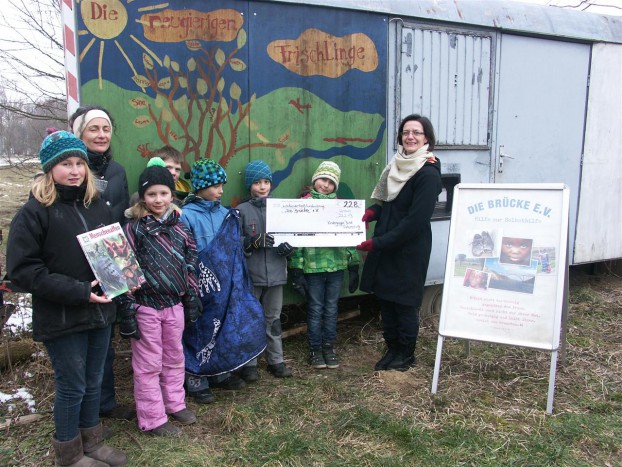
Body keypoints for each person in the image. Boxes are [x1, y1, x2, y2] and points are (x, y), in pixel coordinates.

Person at [6, 131, 127, 466]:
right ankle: (69, 454)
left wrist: (124, 276)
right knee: (72, 385)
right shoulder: (34, 214)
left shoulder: (97, 207)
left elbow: (113, 252)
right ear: (49, 169)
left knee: (93, 380)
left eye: (79, 163)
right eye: (65, 164)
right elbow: (23, 271)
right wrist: (78, 292)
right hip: (62, 316)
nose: (74, 170)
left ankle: (93, 443)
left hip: (101, 312)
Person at [117, 157, 200, 437]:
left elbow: (191, 258)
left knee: (175, 357)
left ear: (172, 194)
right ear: (143, 196)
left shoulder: (180, 225)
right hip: (146, 307)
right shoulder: (135, 227)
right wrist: (127, 308)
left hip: (174, 305)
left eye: (163, 193)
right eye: (151, 194)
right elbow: (124, 267)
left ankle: (175, 402)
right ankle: (152, 418)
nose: (158, 199)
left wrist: (192, 294)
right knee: (148, 364)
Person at [357, 114, 442, 372]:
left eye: (417, 132)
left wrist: (378, 243)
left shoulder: (427, 173)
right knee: (387, 299)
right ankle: (392, 348)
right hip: (388, 245)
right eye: (406, 132)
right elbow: (391, 206)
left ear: (427, 138)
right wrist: (374, 212)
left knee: (404, 303)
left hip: (408, 250)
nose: (410, 137)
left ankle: (405, 355)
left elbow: (415, 221)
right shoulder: (396, 166)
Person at [69, 105, 134, 422]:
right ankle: (84, 412)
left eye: (105, 129)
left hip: (111, 261)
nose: (101, 135)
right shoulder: (72, 170)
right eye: (93, 129)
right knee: (81, 343)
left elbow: (122, 217)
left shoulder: (119, 170)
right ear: (80, 133)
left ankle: (105, 404)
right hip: (79, 266)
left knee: (105, 338)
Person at [180, 158, 246, 403]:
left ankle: (218, 370)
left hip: (224, 279)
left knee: (221, 324)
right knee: (198, 326)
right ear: (200, 186)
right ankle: (196, 376)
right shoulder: (186, 215)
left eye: (222, 185)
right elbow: (185, 250)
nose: (221, 190)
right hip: (200, 281)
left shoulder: (225, 213)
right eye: (215, 185)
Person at [289, 161, 360, 370]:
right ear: (314, 180)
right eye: (323, 180)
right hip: (313, 268)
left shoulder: (341, 206)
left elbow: (350, 237)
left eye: (331, 182)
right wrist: (296, 269)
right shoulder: (305, 204)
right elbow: (297, 240)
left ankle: (329, 347)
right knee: (315, 309)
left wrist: (353, 265)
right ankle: (315, 349)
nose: (326, 185)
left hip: (336, 267)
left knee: (331, 309)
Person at [237, 160, 294, 379]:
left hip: (277, 274)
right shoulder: (241, 210)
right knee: (251, 319)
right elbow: (235, 242)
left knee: (274, 319)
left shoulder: (281, 208)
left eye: (266, 181)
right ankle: (250, 363)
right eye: (257, 182)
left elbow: (292, 235)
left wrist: (289, 249)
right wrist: (251, 242)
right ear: (249, 185)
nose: (262, 186)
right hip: (252, 276)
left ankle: (276, 361)